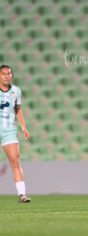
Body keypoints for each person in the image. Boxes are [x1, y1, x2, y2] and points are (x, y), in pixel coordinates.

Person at [0, 65, 31, 203]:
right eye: (3, 74)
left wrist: (23, 127)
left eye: (9, 74)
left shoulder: (16, 91)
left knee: (15, 160)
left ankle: (22, 194)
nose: (7, 76)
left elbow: (18, 109)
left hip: (9, 130)